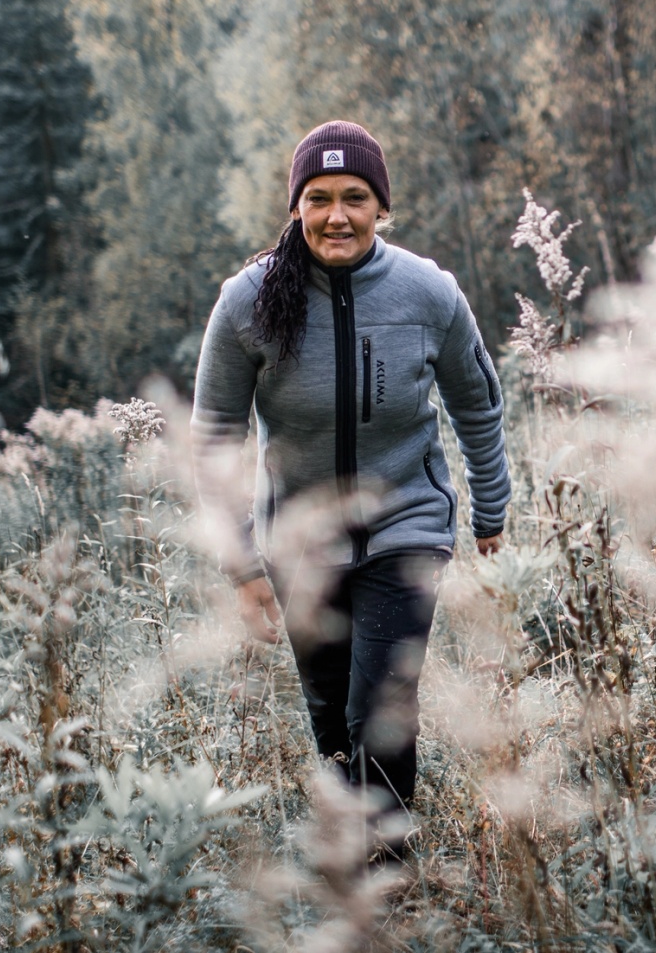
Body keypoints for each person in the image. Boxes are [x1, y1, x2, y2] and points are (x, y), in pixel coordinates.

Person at [192, 120, 509, 824]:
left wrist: (491, 507)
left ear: (381, 207)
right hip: (300, 541)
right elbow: (213, 440)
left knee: (382, 708)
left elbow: (477, 406)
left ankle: (387, 876)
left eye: (356, 197)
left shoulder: (428, 294)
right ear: (296, 207)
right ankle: (351, 845)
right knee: (333, 718)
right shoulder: (247, 303)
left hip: (406, 526)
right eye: (320, 197)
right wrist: (242, 566)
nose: (338, 214)